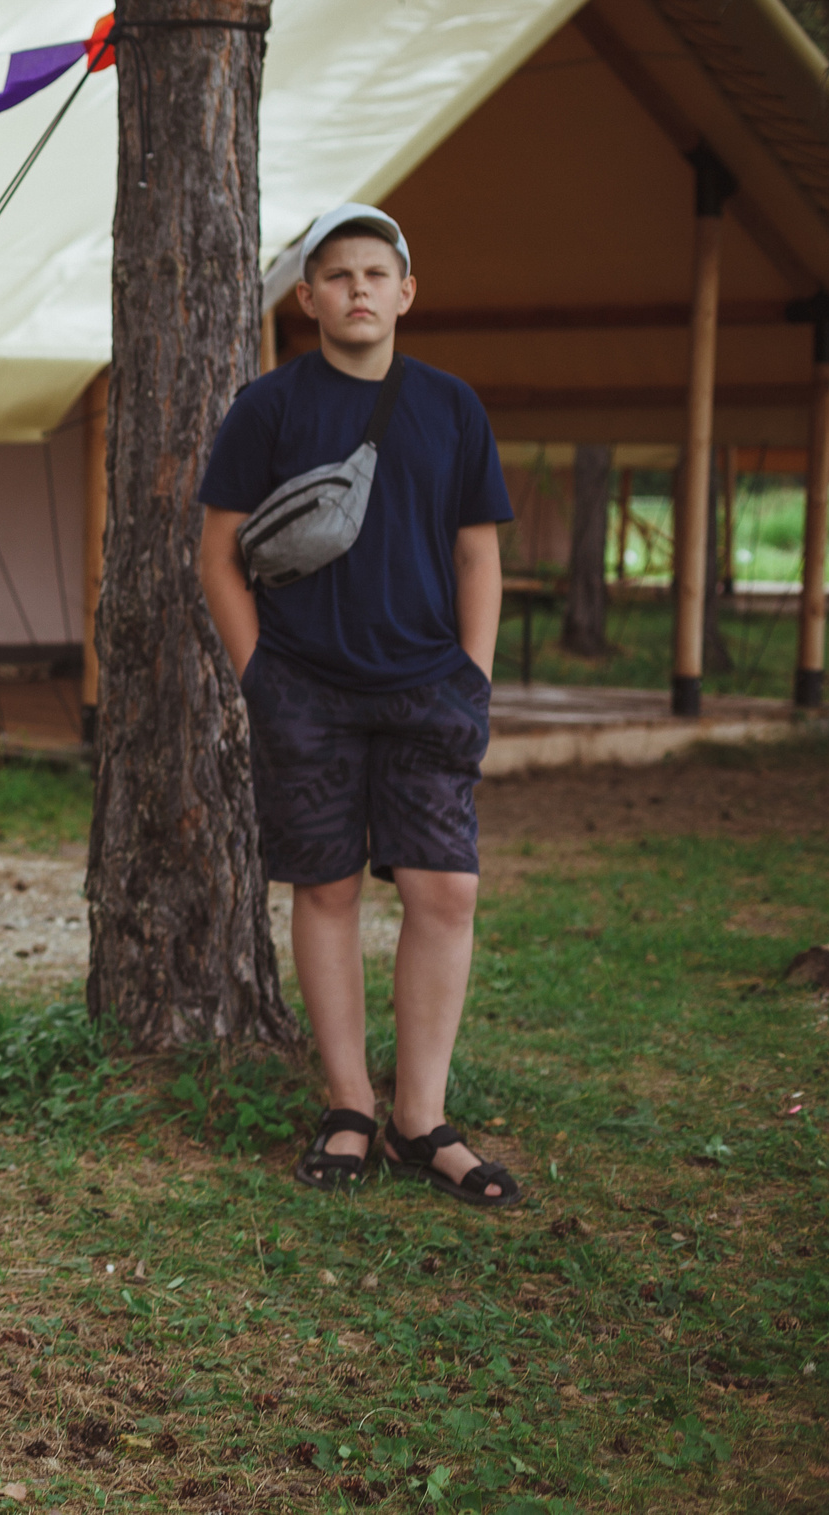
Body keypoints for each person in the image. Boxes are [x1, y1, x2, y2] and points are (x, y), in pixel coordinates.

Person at [197, 203, 521, 1208]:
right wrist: (259, 674)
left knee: (443, 893)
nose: (358, 291)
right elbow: (218, 553)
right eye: (337, 276)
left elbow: (478, 551)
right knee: (326, 889)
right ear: (307, 299)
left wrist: (472, 673)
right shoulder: (268, 408)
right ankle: (347, 1106)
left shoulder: (453, 407)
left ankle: (421, 1119)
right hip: (305, 688)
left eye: (376, 274)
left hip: (429, 688)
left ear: (405, 292)